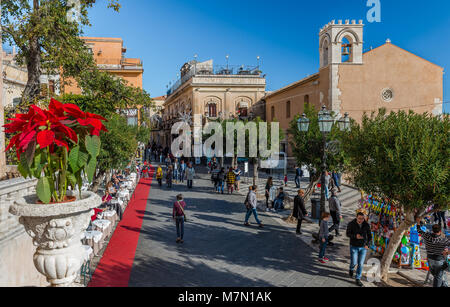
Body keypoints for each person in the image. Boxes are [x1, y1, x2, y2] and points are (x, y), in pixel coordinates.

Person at [416, 218, 449, 287]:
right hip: (439, 260)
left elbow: (419, 230)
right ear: (440, 231)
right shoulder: (443, 239)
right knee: (438, 277)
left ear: (432, 230)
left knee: (436, 275)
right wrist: (447, 252)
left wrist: (418, 222)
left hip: (430, 259)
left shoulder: (427, 236)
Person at [346, 212, 373, 287]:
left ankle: (358, 278)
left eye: (362, 218)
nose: (361, 220)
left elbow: (370, 236)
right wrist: (355, 236)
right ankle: (351, 268)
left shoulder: (366, 225)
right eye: (359, 218)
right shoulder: (351, 224)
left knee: (361, 264)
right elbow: (347, 234)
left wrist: (368, 245)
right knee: (354, 262)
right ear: (356, 217)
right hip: (354, 246)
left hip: (363, 247)